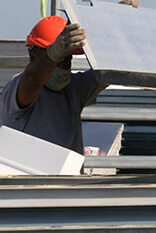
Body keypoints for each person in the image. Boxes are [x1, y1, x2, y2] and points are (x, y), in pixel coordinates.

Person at [0, 16, 104, 154]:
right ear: (33, 56)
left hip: (67, 173)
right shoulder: (17, 87)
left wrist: (113, 24)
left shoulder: (75, 87)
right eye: (60, 57)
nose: (65, 64)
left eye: (68, 57)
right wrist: (52, 55)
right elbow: (32, 79)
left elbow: (111, 70)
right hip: (27, 174)